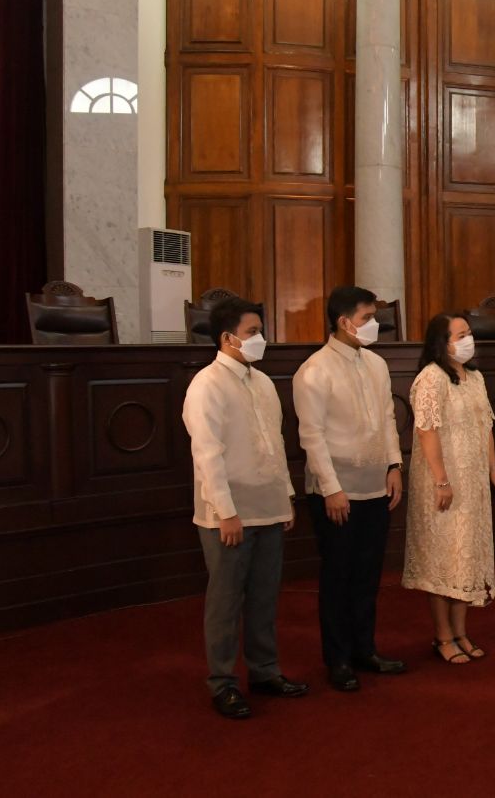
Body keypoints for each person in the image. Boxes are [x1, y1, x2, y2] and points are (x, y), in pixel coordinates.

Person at [182, 297, 308, 719]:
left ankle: (265, 670)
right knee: (226, 600)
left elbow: (275, 444)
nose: (260, 339)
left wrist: (285, 495)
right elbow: (207, 454)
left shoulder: (264, 382)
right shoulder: (207, 384)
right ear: (227, 338)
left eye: (260, 331)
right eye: (253, 332)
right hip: (229, 513)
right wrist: (225, 511)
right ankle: (222, 682)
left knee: (264, 596)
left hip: (268, 505)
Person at [293, 286, 405, 692]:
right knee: (338, 576)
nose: (375, 325)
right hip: (336, 492)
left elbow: (388, 418)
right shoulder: (314, 371)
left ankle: (364, 649)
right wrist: (331, 489)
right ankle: (338, 659)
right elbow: (312, 436)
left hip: (375, 485)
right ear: (344, 322)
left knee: (368, 574)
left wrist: (394, 465)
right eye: (367, 318)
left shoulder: (376, 363)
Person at [402, 313, 495, 664]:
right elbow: (426, 430)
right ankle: (443, 636)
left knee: (466, 558)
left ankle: (461, 632)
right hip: (442, 482)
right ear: (442, 342)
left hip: (472, 482)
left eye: (469, 333)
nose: (468, 340)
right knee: (442, 560)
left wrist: (493, 468)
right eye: (460, 335)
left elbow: (486, 425)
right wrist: (441, 480)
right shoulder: (430, 378)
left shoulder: (475, 377)